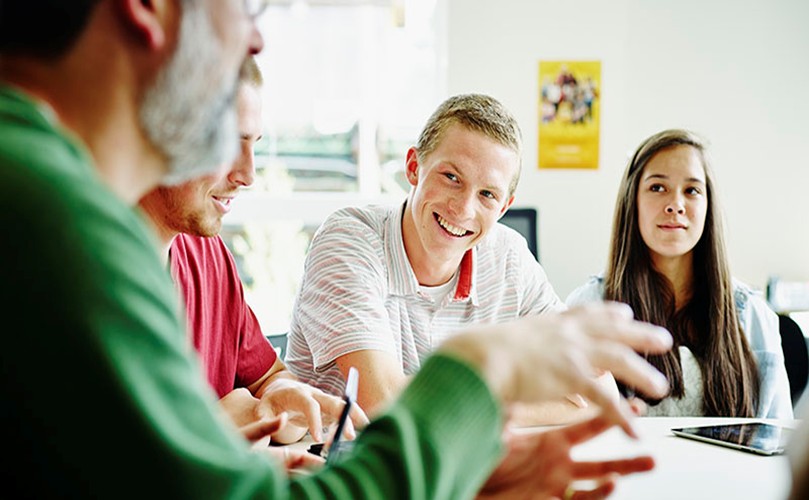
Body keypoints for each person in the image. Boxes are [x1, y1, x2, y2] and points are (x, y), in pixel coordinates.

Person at [0, 1, 673, 497]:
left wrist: (460, 459)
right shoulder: (54, 219)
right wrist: (476, 376)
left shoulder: (54, 195)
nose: (257, 36)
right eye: (245, 9)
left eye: (489, 196)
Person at [286, 92, 613, 421]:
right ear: (414, 167)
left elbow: (600, 394)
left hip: (461, 467)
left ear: (504, 207)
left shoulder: (509, 258)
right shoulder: (350, 240)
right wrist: (516, 392)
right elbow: (385, 404)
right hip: (342, 464)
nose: (463, 209)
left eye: (487, 194)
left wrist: (469, 405)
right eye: (451, 178)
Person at [139, 56, 367, 446]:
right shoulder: (81, 271)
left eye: (254, 145)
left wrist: (278, 401)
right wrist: (212, 433)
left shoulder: (208, 255)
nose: (247, 174)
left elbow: (266, 378)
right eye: (229, 144)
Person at [566, 128, 793, 419]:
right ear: (631, 201)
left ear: (708, 205)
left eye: (692, 190)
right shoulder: (588, 307)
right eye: (658, 188)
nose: (675, 205)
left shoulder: (753, 316)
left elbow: (777, 441)